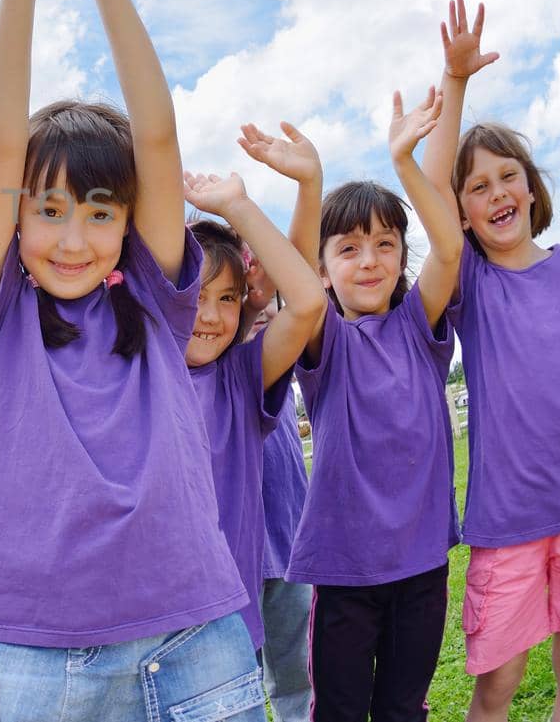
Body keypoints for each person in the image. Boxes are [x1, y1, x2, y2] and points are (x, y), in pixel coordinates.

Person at [0, 0, 264, 722]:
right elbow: (1, 140)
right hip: (39, 645)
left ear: (129, 223)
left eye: (97, 211)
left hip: (190, 628)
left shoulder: (159, 301)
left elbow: (156, 136)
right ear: (13, 220)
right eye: (46, 212)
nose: (71, 238)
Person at [417, 0, 560, 722]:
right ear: (464, 212)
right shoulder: (472, 285)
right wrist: (454, 83)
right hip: (507, 523)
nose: (497, 193)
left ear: (532, 184)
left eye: (507, 175)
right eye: (477, 187)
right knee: (497, 686)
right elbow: (428, 192)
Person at [287, 84, 462, 722]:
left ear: (400, 259)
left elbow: (450, 248)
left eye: (385, 244)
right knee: (339, 711)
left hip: (422, 567)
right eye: (349, 248)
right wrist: (310, 186)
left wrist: (406, 164)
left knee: (402, 709)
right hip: (344, 573)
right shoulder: (324, 339)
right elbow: (296, 278)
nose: (369, 260)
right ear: (325, 268)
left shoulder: (420, 327)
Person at [181, 124, 327, 655]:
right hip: (146, 628)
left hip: (226, 634)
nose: (209, 315)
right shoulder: (136, 371)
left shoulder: (239, 378)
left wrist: (239, 208)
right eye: (195, 295)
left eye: (226, 299)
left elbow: (306, 302)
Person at [233, 123, 319, 721]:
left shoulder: (270, 349)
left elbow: (302, 280)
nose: (249, 284)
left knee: (296, 689)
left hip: (289, 545)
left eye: (257, 268)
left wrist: (307, 188)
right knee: (228, 695)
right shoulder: (203, 365)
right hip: (225, 565)